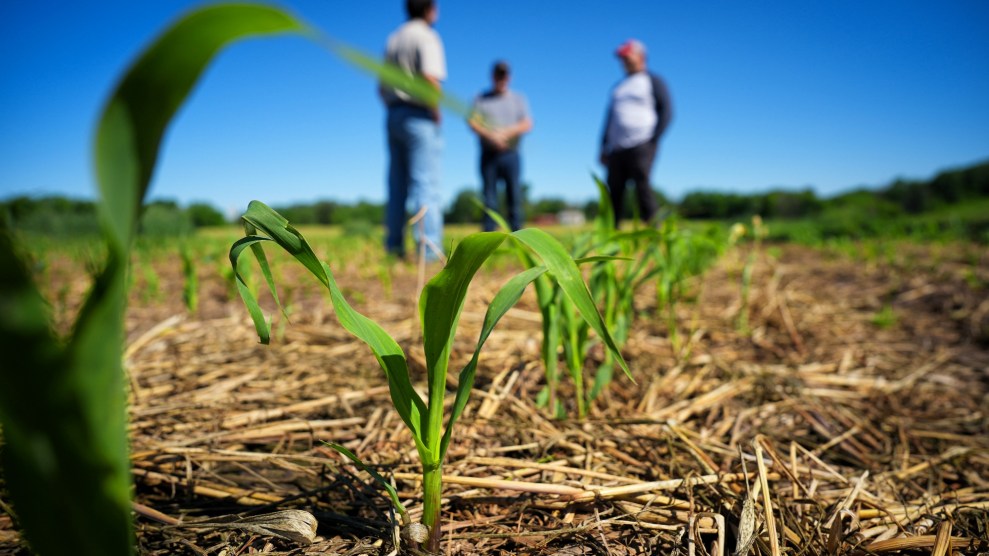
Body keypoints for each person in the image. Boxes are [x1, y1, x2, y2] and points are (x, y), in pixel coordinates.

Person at [379, 0, 446, 261]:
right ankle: (428, 251)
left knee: (397, 185)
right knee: (425, 183)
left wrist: (394, 107)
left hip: (394, 113)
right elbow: (430, 78)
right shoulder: (427, 36)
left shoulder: (393, 39)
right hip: (419, 115)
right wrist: (435, 109)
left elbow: (381, 87)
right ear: (429, 9)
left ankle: (394, 247)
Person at [599, 39, 673, 228]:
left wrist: (654, 139)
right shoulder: (618, 87)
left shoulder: (652, 81)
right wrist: (603, 146)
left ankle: (653, 231)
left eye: (627, 56)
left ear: (640, 56)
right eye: (622, 58)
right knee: (613, 191)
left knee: (642, 188)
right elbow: (609, 119)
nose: (623, 61)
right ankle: (611, 233)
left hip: (642, 143)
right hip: (616, 147)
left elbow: (666, 110)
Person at [468, 61, 533, 231]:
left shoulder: (518, 99)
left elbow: (527, 123)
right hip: (489, 154)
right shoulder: (480, 98)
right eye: (498, 75)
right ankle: (488, 238)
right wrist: (491, 135)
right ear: (492, 76)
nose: (501, 78)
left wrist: (506, 132)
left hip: (511, 154)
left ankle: (518, 237)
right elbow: (472, 122)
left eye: (504, 75)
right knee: (489, 198)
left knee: (514, 196)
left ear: (509, 77)